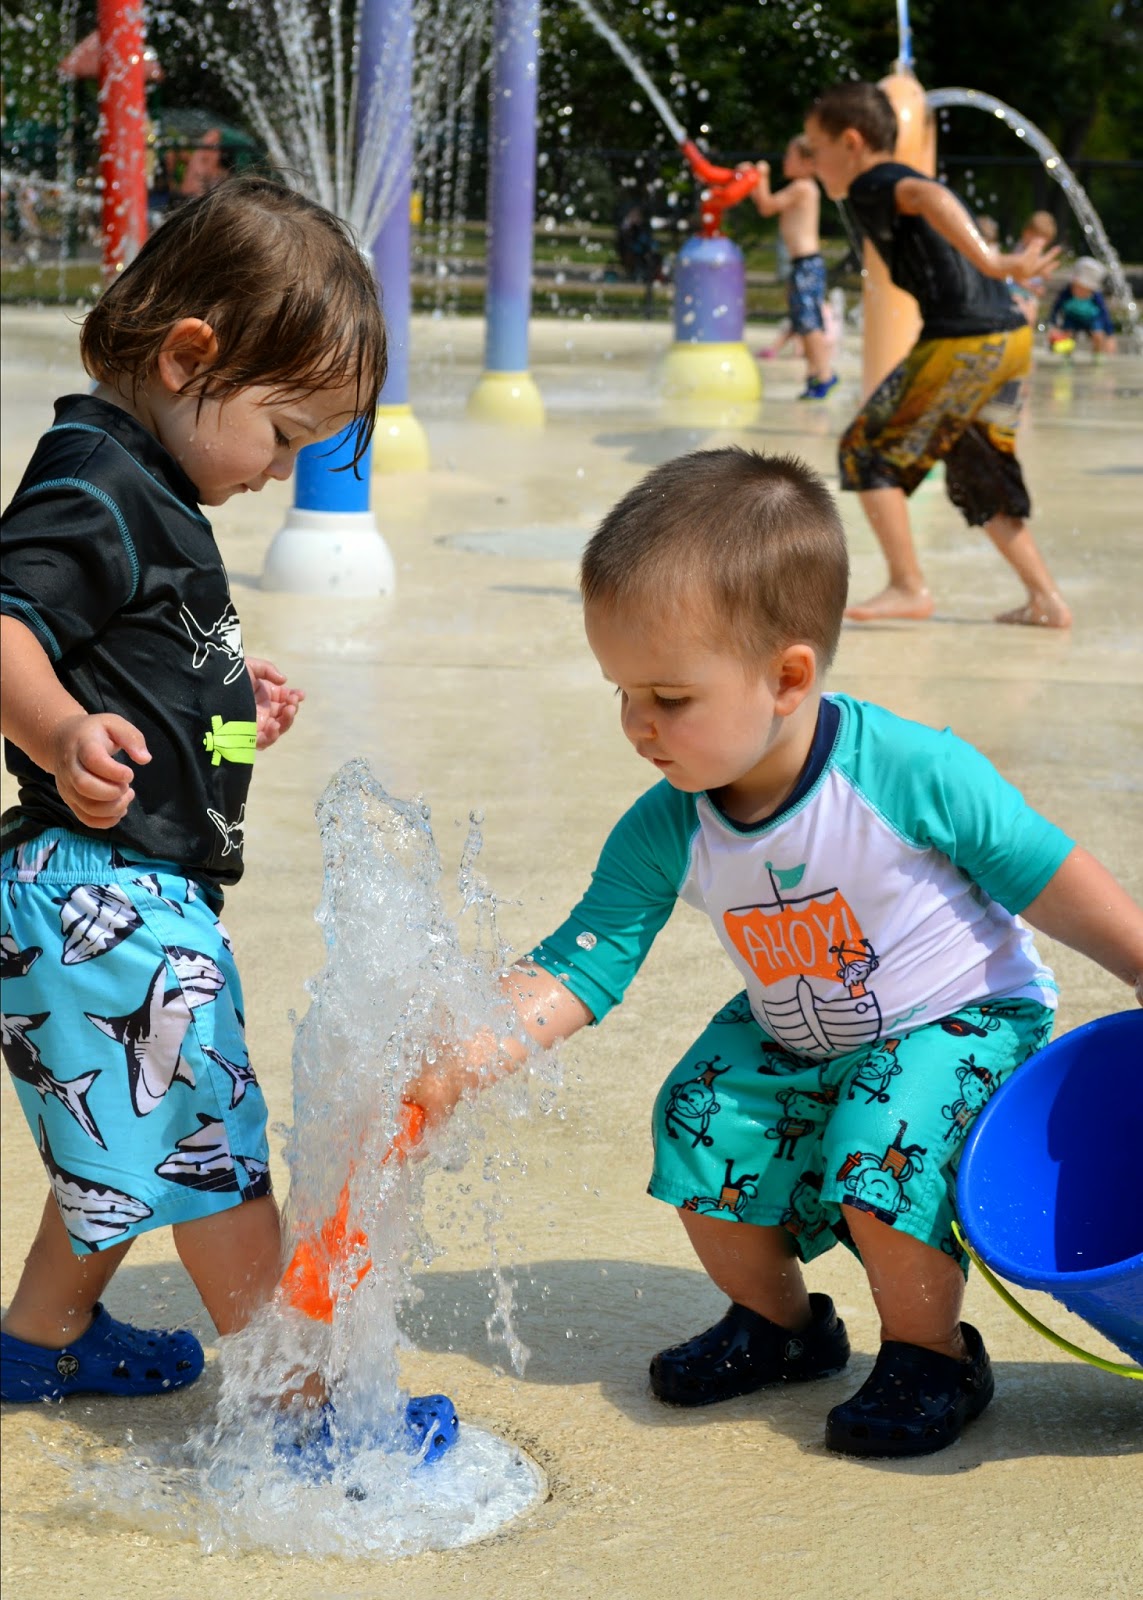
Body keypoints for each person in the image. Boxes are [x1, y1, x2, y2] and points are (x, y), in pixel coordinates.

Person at [401, 446, 1143, 1460]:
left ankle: (933, 1352)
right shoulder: (670, 823)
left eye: (669, 697)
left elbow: (1041, 870)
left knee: (875, 1158)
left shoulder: (905, 770)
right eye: (620, 692)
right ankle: (785, 1328)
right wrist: (470, 1049)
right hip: (806, 1024)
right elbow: (584, 959)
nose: (637, 726)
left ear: (788, 676)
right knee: (699, 1120)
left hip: (957, 1015)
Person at [0, 176, 387, 1405]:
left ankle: (38, 1339)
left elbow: (119, 641)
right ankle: (293, 1402)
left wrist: (220, 701)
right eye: (281, 433)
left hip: (102, 891)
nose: (281, 471)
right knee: (210, 1139)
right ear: (188, 356)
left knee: (125, 1133)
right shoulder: (93, 478)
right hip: (96, 894)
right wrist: (62, 732)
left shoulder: (144, 482)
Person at [802, 83, 1071, 628]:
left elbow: (927, 196)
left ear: (851, 142)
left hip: (966, 339)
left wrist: (993, 261)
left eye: (815, 148)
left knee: (866, 451)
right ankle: (1047, 600)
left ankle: (908, 586)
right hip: (1006, 339)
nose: (811, 161)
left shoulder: (874, 181)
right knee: (979, 470)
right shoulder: (876, 184)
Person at [749, 137, 838, 399]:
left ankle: (825, 375)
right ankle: (814, 373)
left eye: (790, 157)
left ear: (808, 163)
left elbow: (766, 206)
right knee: (804, 323)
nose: (785, 162)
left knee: (809, 324)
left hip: (806, 264)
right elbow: (766, 204)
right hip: (804, 264)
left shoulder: (803, 187)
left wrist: (760, 176)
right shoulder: (802, 187)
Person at [1047, 256, 1117, 357]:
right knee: (1067, 335)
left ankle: (1097, 356)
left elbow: (1104, 314)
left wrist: (1110, 335)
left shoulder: (1096, 296)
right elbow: (1056, 309)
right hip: (1072, 318)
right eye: (1077, 287)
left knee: (1098, 335)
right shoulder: (1066, 293)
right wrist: (1053, 326)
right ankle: (1067, 358)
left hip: (1092, 319)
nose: (1079, 291)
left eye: (1084, 289)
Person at [1010, 209, 1058, 326]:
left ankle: (1026, 340)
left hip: (1029, 293)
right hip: (1014, 291)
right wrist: (1032, 287)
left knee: (1031, 317)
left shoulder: (1038, 253)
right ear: (1027, 233)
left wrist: (1043, 275)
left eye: (1046, 241)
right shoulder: (1021, 252)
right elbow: (1015, 277)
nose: (1041, 244)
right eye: (1039, 239)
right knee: (1021, 313)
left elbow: (1037, 275)